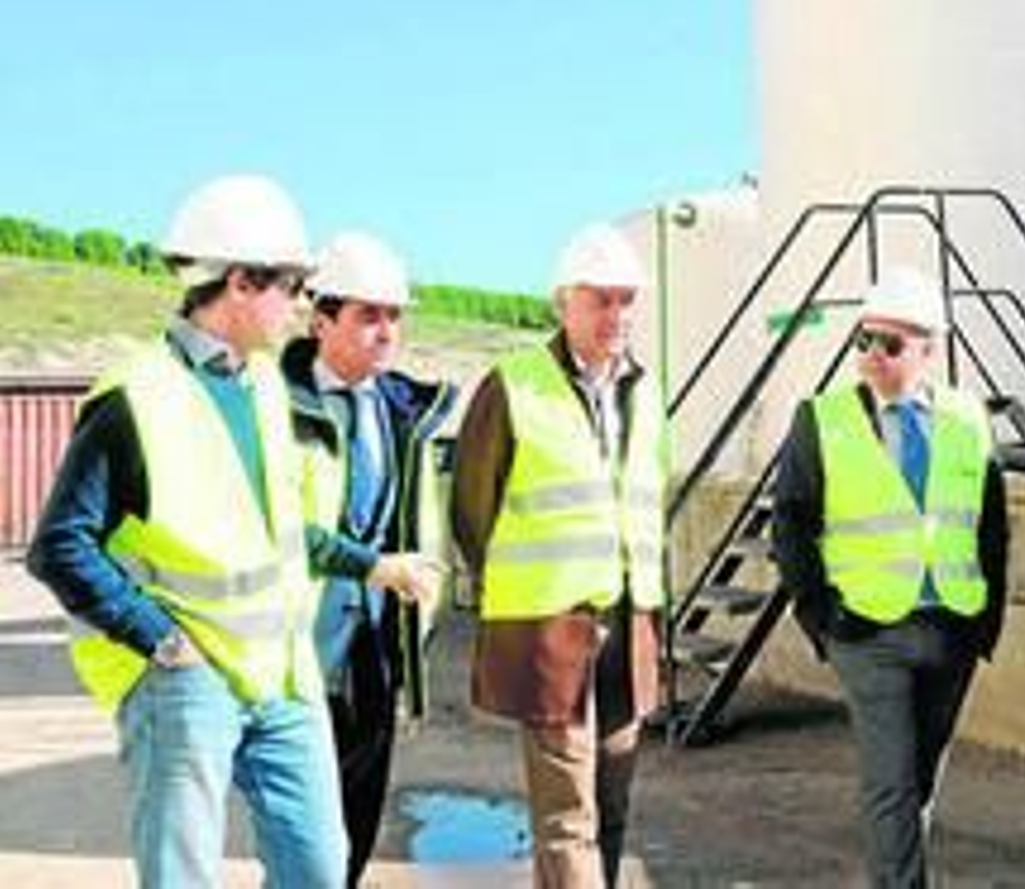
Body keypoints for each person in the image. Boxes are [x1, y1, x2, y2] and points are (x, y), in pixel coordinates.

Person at [26, 175, 437, 887]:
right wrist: (156, 636)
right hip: (186, 677)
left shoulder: (265, 384)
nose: (302, 303)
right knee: (184, 875)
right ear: (242, 283)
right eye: (294, 284)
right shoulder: (137, 396)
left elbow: (283, 528)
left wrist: (372, 566)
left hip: (281, 671)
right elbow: (59, 544)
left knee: (319, 865)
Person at [772, 264, 1011, 889]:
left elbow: (991, 526)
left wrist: (986, 622)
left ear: (930, 350)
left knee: (920, 778)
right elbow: (791, 524)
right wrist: (821, 616)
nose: (873, 355)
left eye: (891, 343)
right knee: (890, 782)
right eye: (864, 340)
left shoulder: (967, 417)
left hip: (951, 628)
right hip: (867, 632)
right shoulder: (820, 419)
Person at [451, 222, 666, 888]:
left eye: (626, 300)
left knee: (612, 802)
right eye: (600, 299)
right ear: (562, 303)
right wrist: (522, 587)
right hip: (551, 629)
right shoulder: (512, 386)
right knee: (568, 817)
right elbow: (471, 510)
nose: (616, 315)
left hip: (628, 626)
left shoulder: (646, 391)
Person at [281, 230, 458, 886]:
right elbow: (272, 527)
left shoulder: (404, 409)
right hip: (297, 650)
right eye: (367, 316)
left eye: (394, 315)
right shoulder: (274, 404)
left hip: (377, 650)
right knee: (302, 836)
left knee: (356, 822)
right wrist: (374, 567)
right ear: (321, 319)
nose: (386, 331)